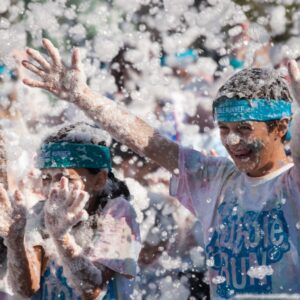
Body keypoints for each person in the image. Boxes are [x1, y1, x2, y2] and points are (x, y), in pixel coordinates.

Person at [22, 39, 300, 299]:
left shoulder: (292, 184)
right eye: (224, 129)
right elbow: (150, 142)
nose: (232, 141)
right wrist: (82, 96)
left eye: (244, 129)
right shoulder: (217, 179)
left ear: (281, 127)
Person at [0, 122, 141, 300]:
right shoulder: (42, 212)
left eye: (64, 178)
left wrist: (61, 237)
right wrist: (15, 239)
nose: (52, 188)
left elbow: (92, 290)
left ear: (99, 180)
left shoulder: (116, 212)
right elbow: (26, 290)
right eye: (46, 178)